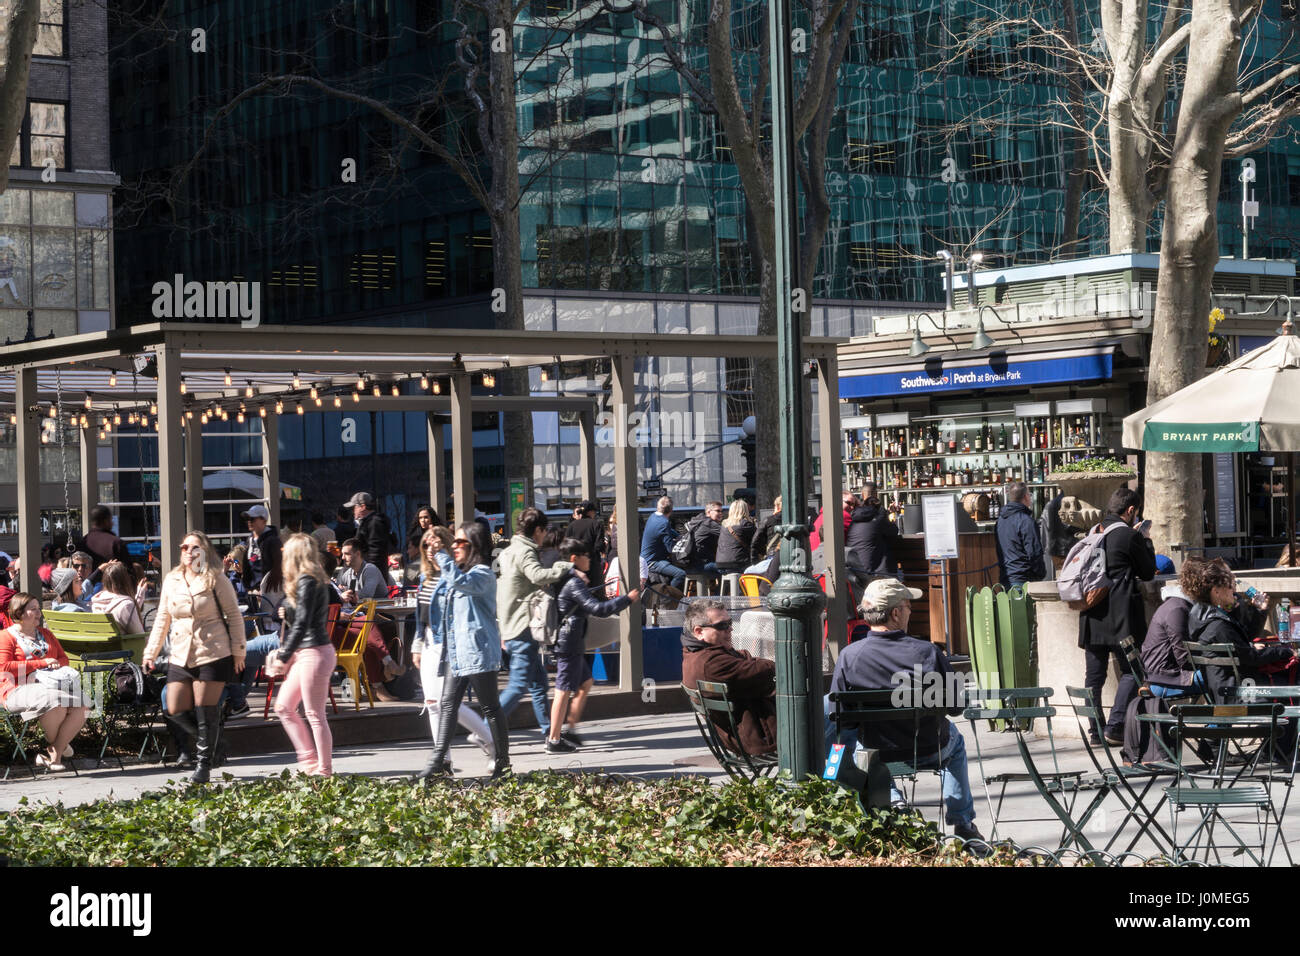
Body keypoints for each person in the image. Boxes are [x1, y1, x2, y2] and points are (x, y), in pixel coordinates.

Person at [830, 578, 982, 841]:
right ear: (896, 613)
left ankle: (895, 802)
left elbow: (841, 715)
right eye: (908, 606)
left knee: (859, 748)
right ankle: (963, 823)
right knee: (955, 744)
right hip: (928, 748)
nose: (911, 611)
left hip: (875, 752)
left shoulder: (849, 656)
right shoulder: (928, 653)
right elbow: (956, 706)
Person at [143, 531, 246, 784]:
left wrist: (239, 651)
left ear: (205, 552)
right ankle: (215, 743)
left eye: (195, 548)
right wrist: (150, 652)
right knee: (173, 707)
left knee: (205, 710)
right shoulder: (172, 579)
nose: (189, 552)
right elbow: (162, 619)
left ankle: (203, 767)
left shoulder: (215, 578)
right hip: (180, 653)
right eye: (184, 547)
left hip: (212, 651)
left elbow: (233, 615)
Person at [419, 523, 510, 780]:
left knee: (490, 707)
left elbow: (462, 583)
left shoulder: (482, 574)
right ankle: (438, 761)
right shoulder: (457, 572)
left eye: (461, 543)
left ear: (475, 546)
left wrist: (441, 556)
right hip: (456, 652)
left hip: (477, 650)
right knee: (447, 705)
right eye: (454, 542)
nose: (455, 547)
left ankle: (502, 762)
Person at [1077, 487, 1156, 746]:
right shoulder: (1128, 536)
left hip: (1092, 612)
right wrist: (1144, 538)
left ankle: (1095, 731)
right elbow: (1147, 573)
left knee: (1094, 676)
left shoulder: (1093, 532)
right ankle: (1115, 726)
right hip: (1122, 615)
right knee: (1132, 670)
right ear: (1131, 511)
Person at [550, 538, 638, 751]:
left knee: (586, 682)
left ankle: (570, 729)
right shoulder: (573, 582)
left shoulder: (570, 579)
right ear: (574, 558)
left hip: (573, 642)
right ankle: (553, 739)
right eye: (586, 556)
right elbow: (597, 609)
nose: (590, 559)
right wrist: (626, 599)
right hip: (568, 643)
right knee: (563, 690)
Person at [497, 507, 574, 741]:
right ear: (538, 530)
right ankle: (485, 728)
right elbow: (537, 576)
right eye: (544, 531)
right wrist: (566, 567)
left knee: (539, 683)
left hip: (512, 622)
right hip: (522, 624)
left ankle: (550, 734)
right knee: (519, 685)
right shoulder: (525, 552)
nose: (544, 536)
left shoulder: (508, 550)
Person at [266, 534, 337, 776]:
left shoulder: (308, 580)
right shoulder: (310, 579)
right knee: (284, 707)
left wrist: (283, 656)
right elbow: (303, 619)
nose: (283, 553)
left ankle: (323, 769)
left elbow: (303, 623)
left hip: (313, 652)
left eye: (286, 549)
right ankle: (310, 764)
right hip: (310, 651)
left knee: (314, 714)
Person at [0, 592, 90, 772]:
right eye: (33, 609)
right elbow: (4, 666)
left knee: (83, 703)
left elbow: (63, 659)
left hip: (50, 685)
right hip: (16, 688)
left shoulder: (46, 634)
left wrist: (55, 666)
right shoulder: (6, 636)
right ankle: (61, 746)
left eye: (38, 608)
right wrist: (41, 663)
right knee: (54, 701)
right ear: (19, 613)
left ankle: (54, 754)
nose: (39, 613)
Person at [1185, 556, 1295, 703]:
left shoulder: (1200, 617)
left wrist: (1259, 611)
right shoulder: (1218, 625)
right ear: (1216, 592)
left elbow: (1244, 641)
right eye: (1230, 585)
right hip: (1241, 695)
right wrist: (1286, 651)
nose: (1234, 589)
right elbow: (1252, 658)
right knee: (1293, 683)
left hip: (1223, 691)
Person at [680, 598, 777, 755]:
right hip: (763, 738)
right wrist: (769, 665)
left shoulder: (694, 654)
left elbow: (744, 657)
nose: (730, 629)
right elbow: (761, 671)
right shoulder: (712, 663)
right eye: (722, 626)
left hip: (751, 735)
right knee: (826, 713)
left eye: (730, 623)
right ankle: (826, 776)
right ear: (699, 631)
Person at [335, 538, 405, 700]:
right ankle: (384, 673)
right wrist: (344, 595)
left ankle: (377, 685)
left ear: (358, 554)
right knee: (365, 632)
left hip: (382, 617)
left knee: (367, 630)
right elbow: (342, 595)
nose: (343, 557)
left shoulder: (370, 569)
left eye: (347, 554)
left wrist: (348, 596)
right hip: (356, 620)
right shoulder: (345, 574)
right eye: (342, 554)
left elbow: (367, 595)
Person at [995, 481, 1046, 587]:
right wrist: (1041, 573)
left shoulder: (1000, 521)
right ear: (1026, 496)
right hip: (1024, 579)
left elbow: (999, 550)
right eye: (1029, 494)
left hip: (1006, 578)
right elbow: (1034, 552)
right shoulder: (1026, 521)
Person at [845, 484, 899, 579]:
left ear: (862, 494)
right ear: (876, 494)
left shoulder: (855, 515)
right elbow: (893, 531)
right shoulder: (878, 514)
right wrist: (892, 517)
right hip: (875, 574)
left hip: (856, 572)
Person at [640, 495, 686, 592]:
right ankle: (670, 597)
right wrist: (681, 541)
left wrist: (677, 535)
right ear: (671, 510)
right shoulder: (664, 523)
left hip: (645, 559)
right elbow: (671, 549)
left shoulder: (653, 516)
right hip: (653, 562)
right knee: (680, 574)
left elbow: (668, 531)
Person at [91, 561, 146, 634]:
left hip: (103, 645)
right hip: (126, 645)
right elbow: (139, 634)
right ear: (125, 581)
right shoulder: (126, 605)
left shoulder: (96, 603)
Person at [73, 505, 130, 575]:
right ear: (106, 521)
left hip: (87, 584)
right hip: (111, 584)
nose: (112, 523)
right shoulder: (116, 543)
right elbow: (128, 571)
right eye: (110, 520)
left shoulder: (83, 542)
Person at [564, 500, 607, 589]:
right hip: (593, 566)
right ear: (591, 512)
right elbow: (599, 546)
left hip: (575, 566)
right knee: (597, 594)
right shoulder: (596, 524)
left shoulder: (572, 525)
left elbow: (566, 545)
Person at [346, 492, 393, 571]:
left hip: (371, 572)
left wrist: (370, 571)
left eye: (354, 507)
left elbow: (376, 551)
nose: (353, 511)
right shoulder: (367, 522)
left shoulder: (374, 522)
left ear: (363, 507)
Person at [684, 501, 725, 586]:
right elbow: (728, 535)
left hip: (690, 564)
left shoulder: (698, 521)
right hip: (701, 565)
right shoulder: (709, 524)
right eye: (718, 511)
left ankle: (716, 596)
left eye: (722, 511)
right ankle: (719, 598)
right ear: (709, 512)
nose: (721, 513)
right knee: (728, 570)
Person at [242, 504, 283, 588]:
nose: (249, 521)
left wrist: (266, 590)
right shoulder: (249, 540)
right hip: (253, 592)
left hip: (269, 593)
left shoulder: (273, 541)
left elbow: (278, 568)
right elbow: (249, 564)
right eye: (248, 519)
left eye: (252, 518)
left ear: (264, 520)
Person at [715, 499, 756, 573]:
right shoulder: (745, 524)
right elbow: (757, 540)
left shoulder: (724, 524)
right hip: (738, 563)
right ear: (745, 510)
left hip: (720, 563)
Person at [751, 495, 782, 564]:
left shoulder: (768, 520)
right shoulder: (795, 521)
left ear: (777, 506)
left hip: (773, 556)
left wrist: (754, 562)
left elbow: (755, 541)